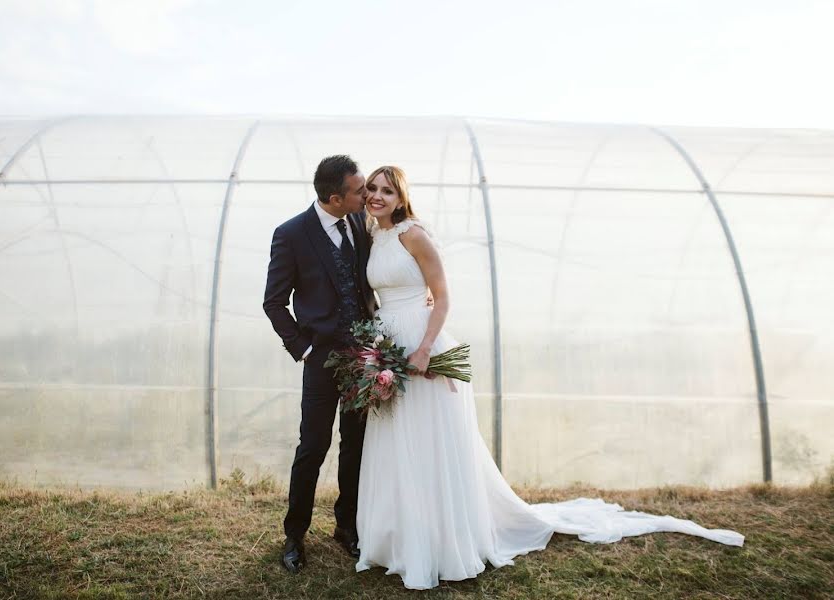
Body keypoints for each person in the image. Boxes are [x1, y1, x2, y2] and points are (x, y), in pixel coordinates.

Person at [355, 165, 745, 590]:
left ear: (401, 197)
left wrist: (425, 348)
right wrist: (377, 349)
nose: (377, 196)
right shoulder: (374, 235)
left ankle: (439, 543)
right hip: (388, 346)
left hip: (421, 346)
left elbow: (443, 295)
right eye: (372, 188)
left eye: (387, 191)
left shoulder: (415, 234)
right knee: (398, 441)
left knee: (429, 444)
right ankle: (399, 541)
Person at [263, 155, 376, 573]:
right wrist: (305, 350)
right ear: (334, 197)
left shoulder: (362, 221)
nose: (366, 196)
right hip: (321, 359)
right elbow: (273, 303)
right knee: (313, 446)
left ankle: (347, 528)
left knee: (357, 444)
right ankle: (295, 536)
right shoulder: (291, 234)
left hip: (364, 358)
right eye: (359, 191)